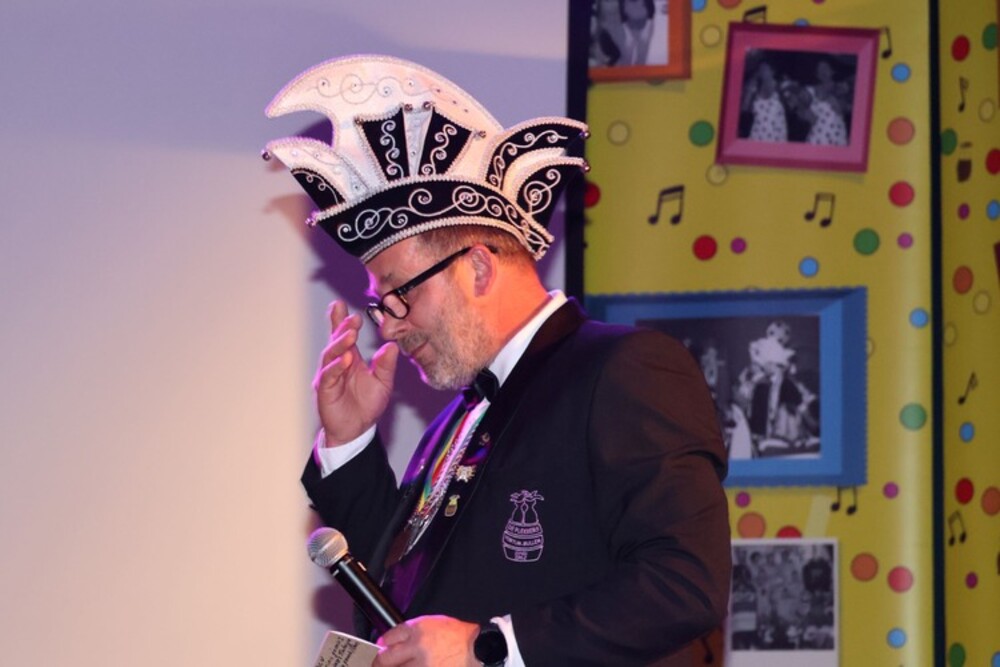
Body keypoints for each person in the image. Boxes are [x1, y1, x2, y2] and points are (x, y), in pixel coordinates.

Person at [265, 54, 731, 666]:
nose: (391, 327)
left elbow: (685, 582)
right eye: (380, 306)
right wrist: (349, 441)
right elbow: (403, 592)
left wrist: (488, 646)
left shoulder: (623, 370)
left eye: (400, 294)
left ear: (479, 268)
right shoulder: (458, 420)